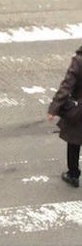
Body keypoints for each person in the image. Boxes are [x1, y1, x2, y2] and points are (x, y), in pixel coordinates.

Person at [48, 46, 82, 188]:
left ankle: (73, 174)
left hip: (80, 111)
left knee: (74, 141)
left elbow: (67, 86)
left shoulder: (79, 61)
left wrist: (54, 107)